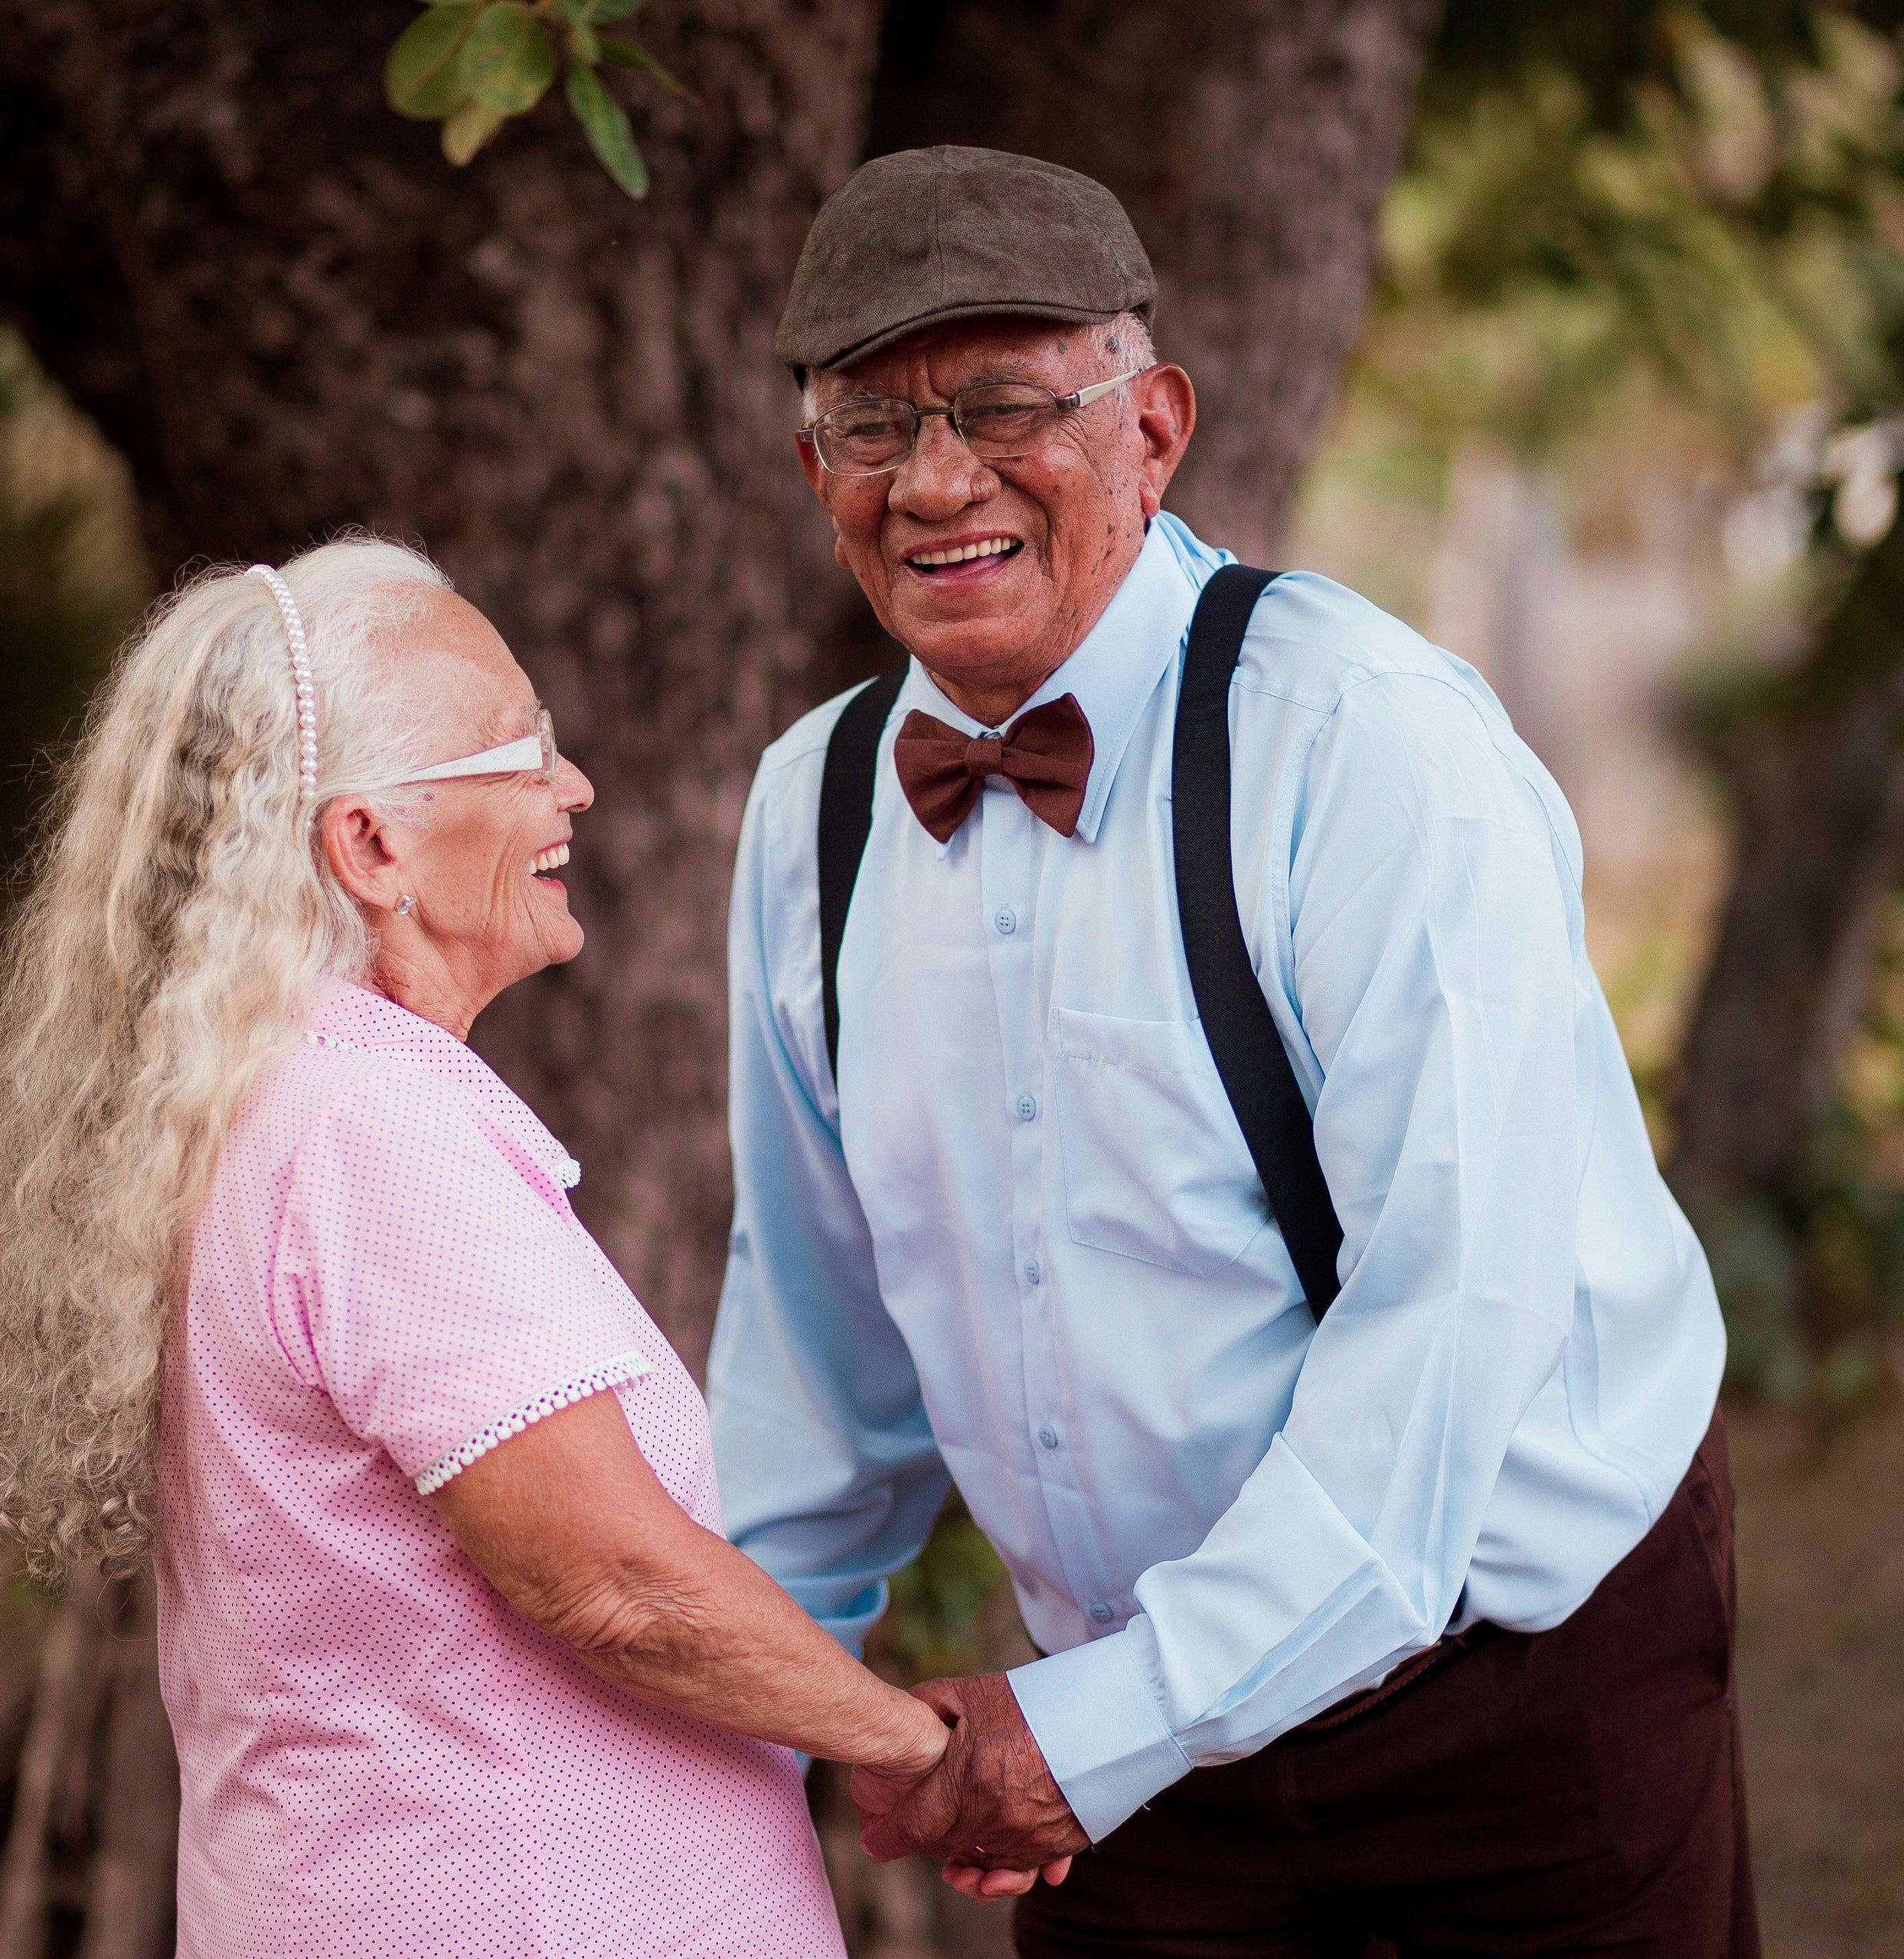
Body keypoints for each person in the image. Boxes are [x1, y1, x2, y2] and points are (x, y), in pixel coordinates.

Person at [708, 145, 1756, 1954]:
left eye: (1005, 404)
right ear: (818, 476)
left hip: (1508, 1683)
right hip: (1134, 1746)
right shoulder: (813, 813)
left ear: (1153, 428)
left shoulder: (1362, 745)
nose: (935, 479)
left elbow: (1446, 1336)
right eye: (872, 425)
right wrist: (726, 1726)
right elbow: (812, 1358)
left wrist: (1098, 1725)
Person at [0, 537, 995, 1958]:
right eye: (522, 750)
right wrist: (923, 1750)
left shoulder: (267, 1099)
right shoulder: (373, 1132)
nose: (573, 786)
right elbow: (613, 1582)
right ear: (371, 846)